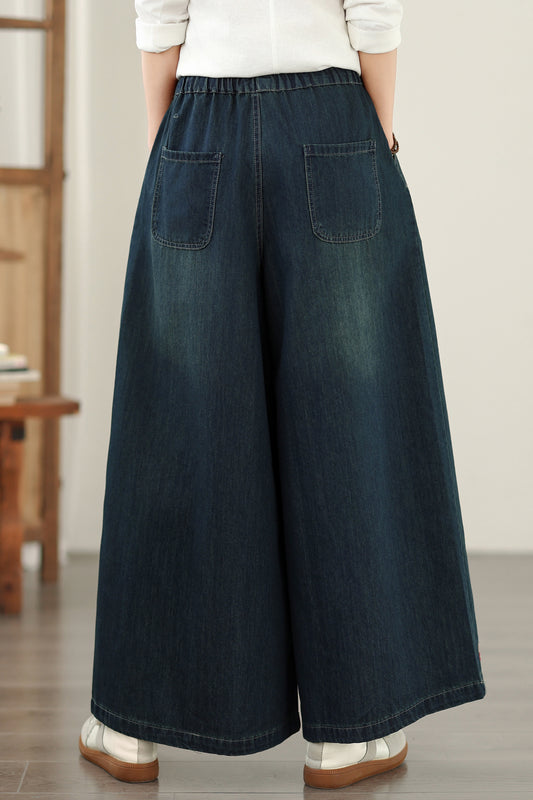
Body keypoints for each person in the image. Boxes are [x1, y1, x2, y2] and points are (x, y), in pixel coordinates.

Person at [78, 0, 486, 790]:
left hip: (198, 123)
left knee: (178, 423)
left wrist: (165, 141)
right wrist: (378, 132)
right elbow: (374, 15)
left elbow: (159, 19)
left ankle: (129, 727)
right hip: (332, 117)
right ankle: (349, 734)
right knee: (348, 422)